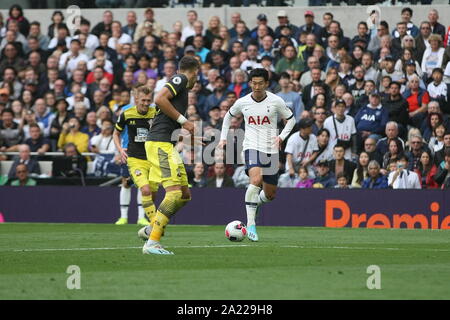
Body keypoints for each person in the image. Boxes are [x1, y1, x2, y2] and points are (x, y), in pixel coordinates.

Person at [219, 68, 296, 242]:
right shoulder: (243, 102)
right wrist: (223, 138)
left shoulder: (276, 101)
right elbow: (227, 117)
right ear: (250, 83)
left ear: (267, 84)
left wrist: (281, 136)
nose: (257, 86)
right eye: (254, 83)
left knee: (270, 195)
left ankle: (254, 203)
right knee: (255, 180)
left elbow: (291, 119)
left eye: (260, 83)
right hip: (251, 146)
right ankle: (251, 224)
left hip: (271, 149)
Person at [141, 56, 200, 255]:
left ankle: (152, 228)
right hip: (160, 144)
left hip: (165, 144)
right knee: (174, 193)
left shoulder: (182, 87)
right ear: (194, 72)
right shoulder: (181, 79)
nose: (196, 81)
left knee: (184, 195)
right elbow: (159, 98)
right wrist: (185, 121)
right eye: (197, 76)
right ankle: (152, 242)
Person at [113, 86, 158, 227]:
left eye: (148, 100)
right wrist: (120, 150)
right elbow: (116, 133)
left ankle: (142, 218)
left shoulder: (156, 112)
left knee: (151, 191)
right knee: (129, 183)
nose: (146, 103)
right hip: (133, 157)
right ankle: (126, 217)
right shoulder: (126, 113)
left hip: (152, 158)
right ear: (136, 98)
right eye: (143, 100)